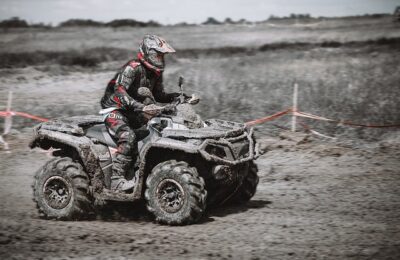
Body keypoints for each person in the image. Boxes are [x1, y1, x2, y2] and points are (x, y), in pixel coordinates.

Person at [100, 35, 182, 192]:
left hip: (134, 110)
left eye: (162, 55)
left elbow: (159, 95)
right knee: (128, 136)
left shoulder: (155, 73)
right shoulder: (133, 67)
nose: (160, 58)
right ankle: (116, 180)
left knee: (156, 131)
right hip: (114, 110)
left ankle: (139, 171)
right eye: (157, 54)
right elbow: (119, 91)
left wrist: (177, 97)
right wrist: (140, 106)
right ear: (147, 52)